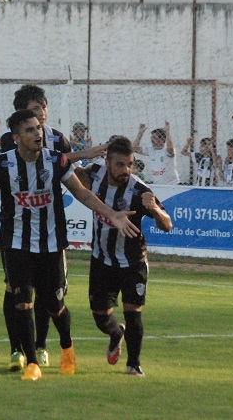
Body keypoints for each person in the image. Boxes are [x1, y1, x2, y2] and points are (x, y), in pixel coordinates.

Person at [0, 109, 140, 381]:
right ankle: (31, 363)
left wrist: (111, 214)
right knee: (22, 302)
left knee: (55, 305)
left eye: (38, 127)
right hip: (16, 245)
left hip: (51, 245)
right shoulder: (1, 165)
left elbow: (82, 193)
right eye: (30, 129)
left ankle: (66, 345)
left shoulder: (56, 161)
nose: (38, 132)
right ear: (16, 137)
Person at [0, 84, 106, 371]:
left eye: (43, 108)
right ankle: (18, 350)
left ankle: (43, 344)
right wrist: (87, 153)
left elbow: (71, 175)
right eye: (34, 110)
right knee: (17, 292)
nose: (41, 115)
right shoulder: (10, 141)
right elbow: (6, 170)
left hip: (50, 234)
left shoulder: (58, 140)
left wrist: (92, 177)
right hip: (16, 232)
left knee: (50, 295)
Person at [80, 136, 172, 377]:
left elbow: (167, 225)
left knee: (133, 313)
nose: (126, 170)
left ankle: (134, 364)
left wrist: (153, 210)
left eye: (130, 164)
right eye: (120, 164)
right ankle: (115, 333)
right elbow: (67, 176)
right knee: (101, 316)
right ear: (107, 162)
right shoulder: (94, 174)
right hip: (102, 260)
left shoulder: (140, 191)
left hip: (133, 263)